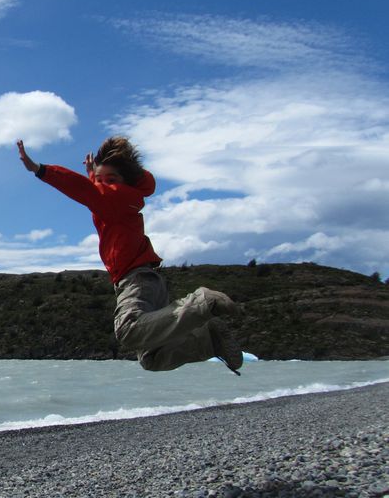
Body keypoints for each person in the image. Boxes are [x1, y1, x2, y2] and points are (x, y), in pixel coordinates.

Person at [16, 136, 245, 374]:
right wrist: (95, 174)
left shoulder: (113, 199)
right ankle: (209, 340)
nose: (102, 184)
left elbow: (85, 190)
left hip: (137, 280)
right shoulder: (120, 200)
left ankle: (202, 302)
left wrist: (39, 169)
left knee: (127, 329)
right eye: (101, 180)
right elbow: (97, 190)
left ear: (125, 183)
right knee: (152, 359)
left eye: (111, 180)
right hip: (147, 280)